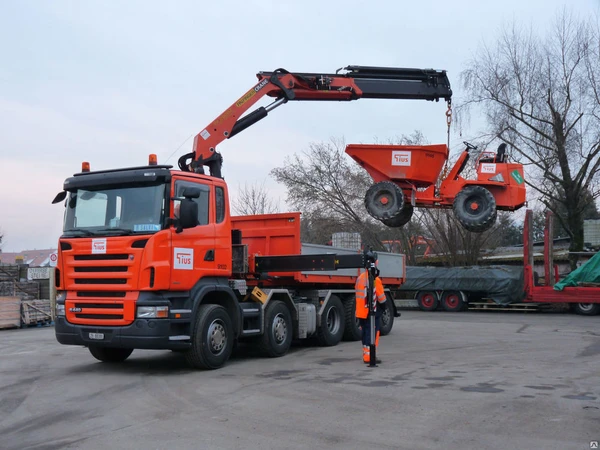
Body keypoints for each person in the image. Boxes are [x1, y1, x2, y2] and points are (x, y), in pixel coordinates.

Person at [355, 266, 387, 364]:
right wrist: (384, 307)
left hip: (361, 311)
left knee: (365, 333)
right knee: (372, 333)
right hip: (371, 312)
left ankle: (366, 355)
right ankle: (370, 356)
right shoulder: (375, 280)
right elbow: (381, 298)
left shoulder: (360, 277)